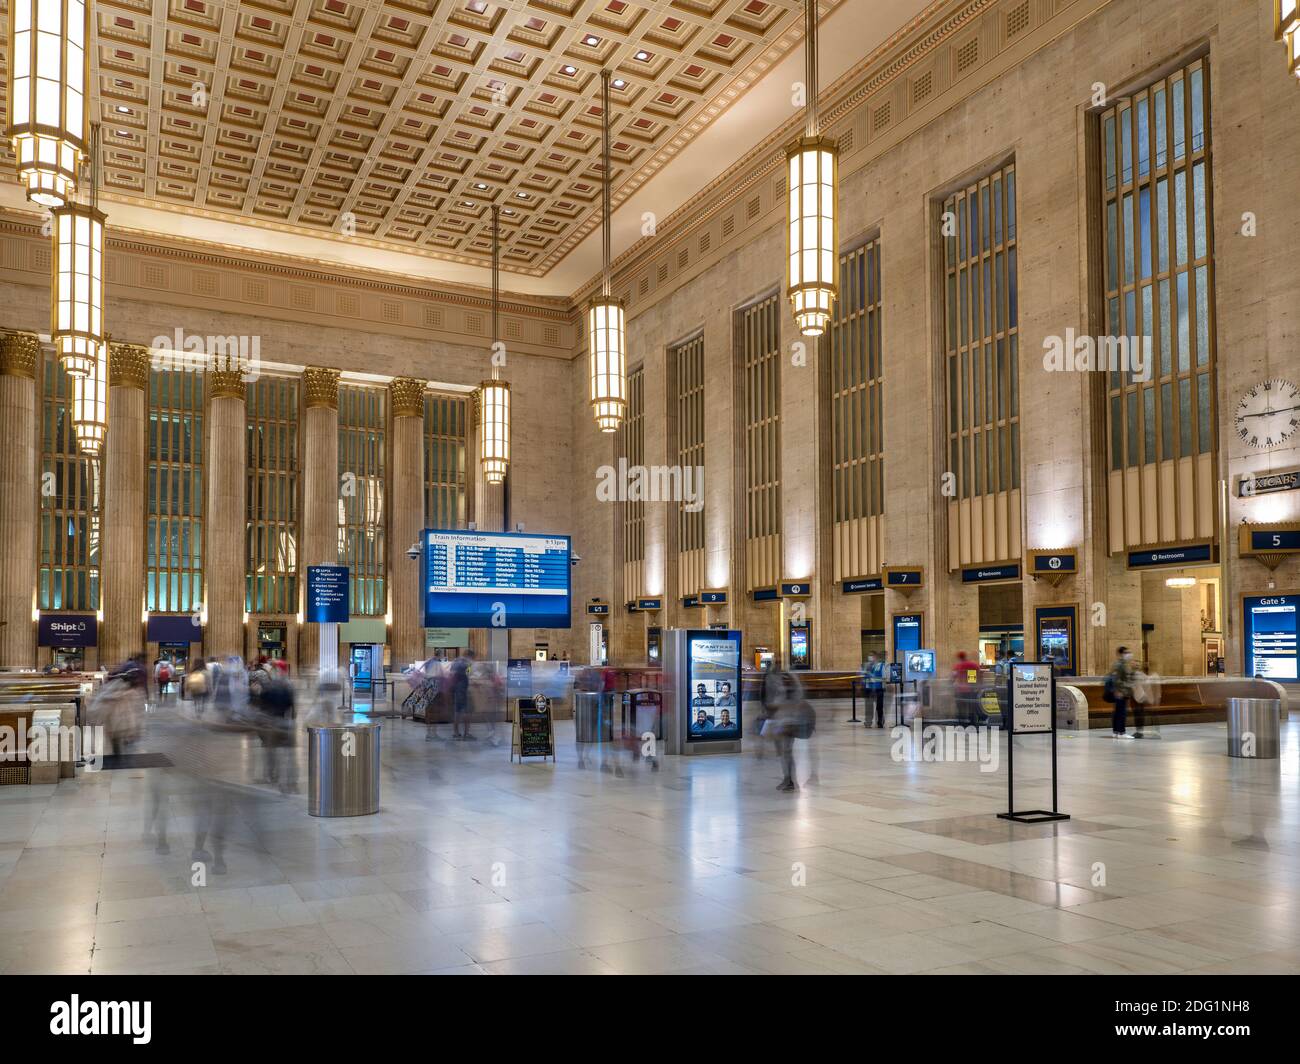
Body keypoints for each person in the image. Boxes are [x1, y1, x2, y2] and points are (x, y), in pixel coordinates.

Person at [1108, 645, 1137, 739]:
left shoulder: (1119, 664)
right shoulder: (1121, 664)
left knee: (1117, 712)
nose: (1129, 655)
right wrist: (1119, 690)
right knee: (1121, 712)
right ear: (1121, 654)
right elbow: (1118, 679)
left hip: (1120, 691)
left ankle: (1116, 731)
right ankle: (1121, 732)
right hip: (1121, 692)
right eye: (1126, 653)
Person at [449, 651, 473, 739]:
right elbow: (469, 673)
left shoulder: (455, 661)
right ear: (469, 656)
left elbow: (451, 672)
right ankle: (466, 734)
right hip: (462, 689)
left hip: (456, 689)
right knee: (466, 712)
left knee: (457, 712)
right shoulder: (467, 663)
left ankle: (456, 733)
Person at [863, 653, 885, 728]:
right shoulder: (866, 666)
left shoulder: (881, 666)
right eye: (870, 658)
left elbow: (884, 678)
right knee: (868, 707)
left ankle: (880, 721)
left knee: (879, 707)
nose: (871, 659)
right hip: (869, 689)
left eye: (872, 657)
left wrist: (873, 677)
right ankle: (868, 722)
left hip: (878, 689)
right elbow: (864, 677)